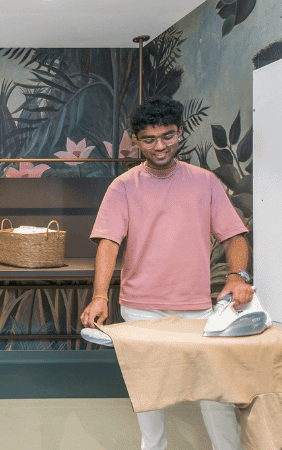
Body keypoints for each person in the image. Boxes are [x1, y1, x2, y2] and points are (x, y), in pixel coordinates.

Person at [80, 96, 254, 450]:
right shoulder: (124, 186)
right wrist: (100, 295)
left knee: (214, 394)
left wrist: (237, 275)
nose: (160, 146)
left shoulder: (205, 182)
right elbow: (109, 244)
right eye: (149, 139)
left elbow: (234, 236)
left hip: (197, 308)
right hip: (141, 306)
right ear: (136, 141)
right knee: (150, 395)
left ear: (180, 133)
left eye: (168, 136)